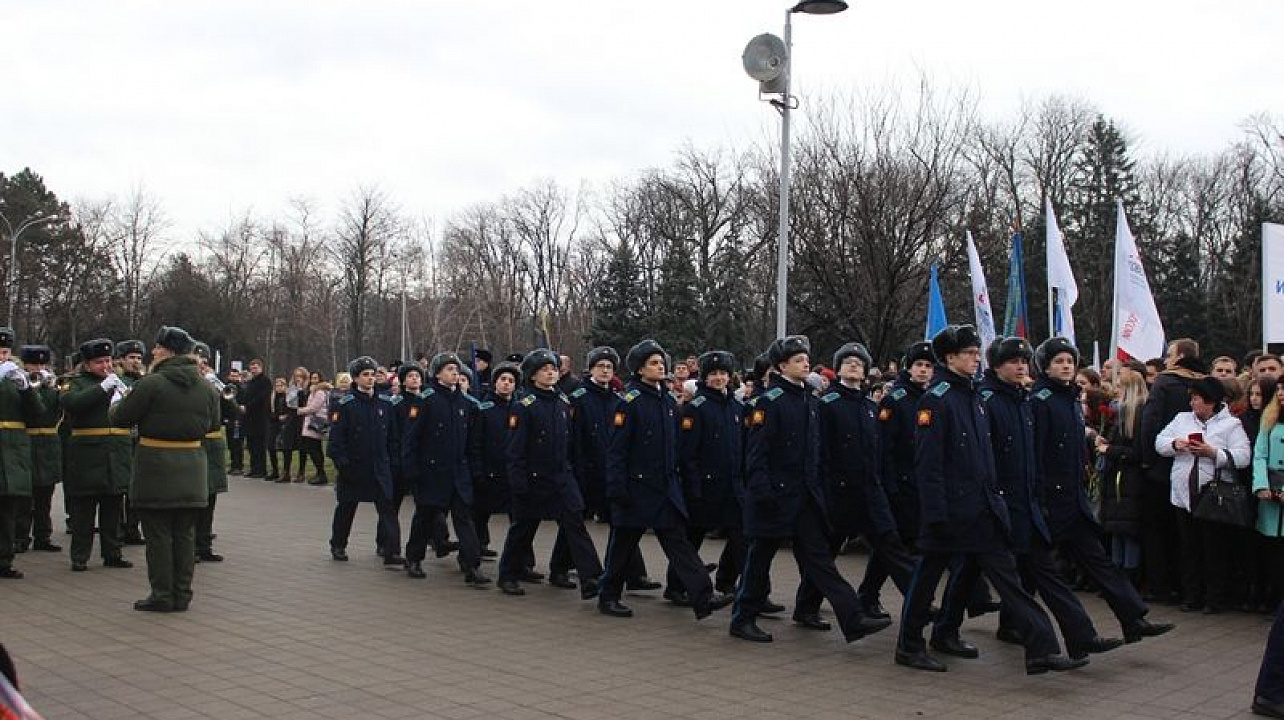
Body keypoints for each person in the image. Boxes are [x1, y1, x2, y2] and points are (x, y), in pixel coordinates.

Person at [894, 325, 1082, 675]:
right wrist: (935, 513)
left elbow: (984, 458)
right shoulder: (936, 400)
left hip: (981, 509)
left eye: (977, 353)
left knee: (1008, 580)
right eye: (969, 353)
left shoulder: (973, 397)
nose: (976, 358)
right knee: (924, 582)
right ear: (950, 358)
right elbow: (928, 465)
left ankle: (1041, 649)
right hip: (950, 511)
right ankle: (909, 645)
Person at [731, 335, 888, 643]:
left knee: (819, 559)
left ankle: (852, 618)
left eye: (806, 358)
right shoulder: (769, 401)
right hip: (773, 496)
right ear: (781, 366)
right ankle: (742, 618)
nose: (806, 363)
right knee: (759, 560)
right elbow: (756, 455)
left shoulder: (811, 400)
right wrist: (763, 494)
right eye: (798, 359)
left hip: (803, 497)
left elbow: (816, 452)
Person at [1031, 337, 1173, 640]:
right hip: (1050, 498)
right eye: (1059, 361)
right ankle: (1007, 623)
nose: (1067, 366)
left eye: (1070, 361)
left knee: (1097, 560)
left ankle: (1133, 618)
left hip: (1073, 497)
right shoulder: (1040, 400)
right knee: (1035, 567)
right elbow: (1036, 454)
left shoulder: (1069, 398)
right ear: (1045, 367)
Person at [598, 339, 731, 621]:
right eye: (654, 363)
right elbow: (616, 451)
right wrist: (617, 488)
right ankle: (608, 595)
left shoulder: (669, 401)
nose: (660, 367)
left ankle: (702, 596)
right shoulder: (630, 402)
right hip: (635, 488)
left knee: (678, 543)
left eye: (662, 363)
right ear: (640, 369)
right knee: (623, 546)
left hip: (664, 489)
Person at [793, 342, 917, 631]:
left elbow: (878, 451)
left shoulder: (869, 407)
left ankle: (918, 601)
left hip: (870, 492)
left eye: (859, 364)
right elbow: (818, 451)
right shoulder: (826, 405)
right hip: (838, 492)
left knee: (892, 547)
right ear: (838, 369)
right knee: (828, 550)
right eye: (848, 362)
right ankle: (806, 606)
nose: (854, 367)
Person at [109, 326, 219, 612]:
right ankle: (182, 594)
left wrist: (118, 400)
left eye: (157, 348)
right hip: (193, 468)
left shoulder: (151, 383)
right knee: (185, 535)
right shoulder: (206, 387)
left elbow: (121, 418)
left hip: (155, 467)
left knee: (158, 535)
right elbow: (213, 424)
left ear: (167, 351)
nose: (153, 352)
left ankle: (162, 594)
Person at [496, 349, 603, 599]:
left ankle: (592, 578)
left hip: (561, 477)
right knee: (523, 528)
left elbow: (571, 443)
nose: (551, 372)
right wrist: (518, 482)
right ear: (533, 376)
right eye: (545, 369)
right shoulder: (524, 406)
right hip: (533, 478)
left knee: (575, 524)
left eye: (553, 368)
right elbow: (514, 450)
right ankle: (508, 574)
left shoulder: (563, 402)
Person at [557, 346, 656, 591]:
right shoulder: (578, 397)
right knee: (575, 520)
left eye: (609, 367)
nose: (605, 370)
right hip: (585, 470)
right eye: (600, 366)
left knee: (621, 522)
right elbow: (574, 439)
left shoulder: (617, 398)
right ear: (590, 369)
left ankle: (633, 575)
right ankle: (560, 568)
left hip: (610, 470)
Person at [1155, 375, 1252, 613]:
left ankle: (1214, 598)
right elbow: (1159, 442)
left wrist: (1213, 452)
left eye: (1196, 399)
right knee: (1188, 547)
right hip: (1183, 493)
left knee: (1213, 548)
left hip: (1213, 496)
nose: (1192, 403)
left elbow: (1242, 457)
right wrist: (1177, 444)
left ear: (1210, 401)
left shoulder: (1231, 425)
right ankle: (1192, 595)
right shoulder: (1182, 419)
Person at [666, 350, 747, 604]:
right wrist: (694, 488)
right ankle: (676, 586)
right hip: (705, 486)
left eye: (723, 373)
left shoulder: (737, 406)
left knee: (741, 538)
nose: (719, 378)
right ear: (704, 377)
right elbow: (687, 454)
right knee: (693, 537)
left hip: (733, 486)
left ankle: (744, 587)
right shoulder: (696, 408)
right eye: (713, 374)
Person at [402, 353, 489, 585]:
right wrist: (411, 469)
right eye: (449, 369)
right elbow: (411, 439)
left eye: (457, 369)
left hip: (458, 472)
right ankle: (414, 558)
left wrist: (474, 470)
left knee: (464, 519)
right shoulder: (426, 399)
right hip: (431, 471)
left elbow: (472, 442)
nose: (455, 373)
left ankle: (472, 565)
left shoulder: (466, 403)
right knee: (425, 517)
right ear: (438, 373)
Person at [1138, 338, 1205, 603]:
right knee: (1185, 534)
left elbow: (1149, 422)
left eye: (1169, 355)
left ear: (1179, 357)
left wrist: (1147, 459)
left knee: (1156, 531)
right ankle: (1186, 586)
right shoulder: (1203, 382)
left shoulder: (1165, 383)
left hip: (1162, 464)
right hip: (1195, 466)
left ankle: (1161, 586)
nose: (1166, 360)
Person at [59, 338, 134, 573]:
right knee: (84, 512)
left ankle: (113, 553)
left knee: (113, 508)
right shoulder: (76, 383)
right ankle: (79, 557)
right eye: (100, 362)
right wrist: (103, 388)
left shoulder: (122, 381)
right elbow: (74, 404)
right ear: (88, 364)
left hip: (117, 452)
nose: (106, 365)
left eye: (108, 360)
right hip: (88, 454)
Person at [327, 356, 401, 564]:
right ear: (355, 378)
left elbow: (393, 438)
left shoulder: (385, 404)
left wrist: (393, 462)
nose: (370, 379)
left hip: (380, 467)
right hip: (355, 466)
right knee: (347, 507)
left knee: (387, 509)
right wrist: (343, 464)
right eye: (365, 375)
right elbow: (336, 440)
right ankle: (338, 544)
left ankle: (391, 549)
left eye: (372, 375)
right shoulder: (346, 405)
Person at [1096, 369, 1150, 579]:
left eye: (1119, 387)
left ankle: (1127, 573)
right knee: (1118, 528)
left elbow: (1135, 452)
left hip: (1127, 480)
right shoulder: (1121, 416)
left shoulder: (1135, 415)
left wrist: (1109, 450)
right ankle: (1118, 569)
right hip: (1119, 479)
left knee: (1127, 530)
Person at [0, 329, 45, 579]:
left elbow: (38, 413)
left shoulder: (15, 376)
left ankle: (4, 560)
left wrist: (27, 389)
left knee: (8, 508)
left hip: (13, 451)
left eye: (5, 352)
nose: (1, 356)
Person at [468, 362, 521, 561]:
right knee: (480, 515)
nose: (507, 384)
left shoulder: (519, 408)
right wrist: (478, 472)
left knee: (519, 519)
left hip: (512, 472)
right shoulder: (484, 409)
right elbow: (476, 444)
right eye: (503, 380)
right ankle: (472, 553)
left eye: (511, 381)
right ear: (495, 383)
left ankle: (523, 562)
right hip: (490, 471)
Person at [13, 345, 61, 555]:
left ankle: (43, 536)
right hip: (27, 441)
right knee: (25, 497)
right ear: (24, 365)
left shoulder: (52, 386)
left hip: (48, 443)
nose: (39, 368)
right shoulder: (19, 385)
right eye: (34, 364)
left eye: (43, 364)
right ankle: (21, 537)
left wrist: (55, 389)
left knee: (45, 495)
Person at [193, 342, 234, 563]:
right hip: (195, 445)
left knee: (210, 497)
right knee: (195, 498)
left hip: (214, 446)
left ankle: (204, 545)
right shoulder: (188, 385)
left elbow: (234, 410)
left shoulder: (214, 384)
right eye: (198, 361)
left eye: (205, 363)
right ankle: (190, 547)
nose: (202, 366)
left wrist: (218, 386)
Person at [114, 339, 148, 545]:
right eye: (131, 358)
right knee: (119, 486)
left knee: (135, 487)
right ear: (121, 360)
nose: (135, 362)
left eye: (138, 358)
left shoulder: (144, 381)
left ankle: (133, 529)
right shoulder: (117, 380)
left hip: (138, 440)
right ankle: (117, 529)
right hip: (120, 438)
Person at [241, 359, 272, 478]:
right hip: (249, 418)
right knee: (251, 444)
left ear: (261, 368)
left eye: (256, 368)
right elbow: (247, 395)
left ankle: (260, 469)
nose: (253, 370)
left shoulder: (265, 381)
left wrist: (248, 406)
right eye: (252, 368)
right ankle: (254, 468)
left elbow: (261, 397)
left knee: (259, 445)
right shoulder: (251, 382)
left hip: (260, 417)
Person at [299, 377, 331, 486]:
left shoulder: (320, 392)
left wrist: (300, 410)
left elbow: (314, 407)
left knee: (313, 449)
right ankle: (319, 473)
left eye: (316, 378)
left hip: (315, 423)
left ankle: (321, 473)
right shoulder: (312, 391)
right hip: (311, 422)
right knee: (315, 448)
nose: (313, 380)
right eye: (312, 378)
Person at [267, 376, 287, 481]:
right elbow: (269, 410)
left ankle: (285, 471)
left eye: (281, 385)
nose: (279, 388)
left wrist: (284, 416)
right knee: (271, 447)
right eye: (277, 386)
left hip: (284, 424)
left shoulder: (287, 397)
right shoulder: (272, 397)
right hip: (273, 422)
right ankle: (274, 470)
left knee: (283, 447)